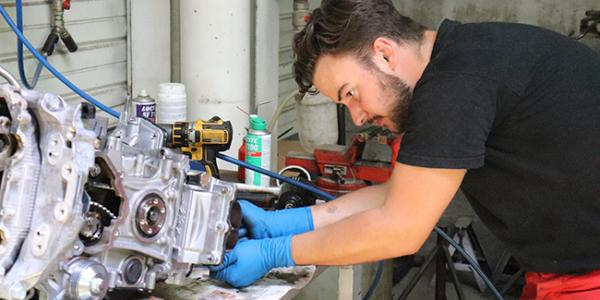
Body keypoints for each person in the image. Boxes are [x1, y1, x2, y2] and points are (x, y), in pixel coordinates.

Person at [210, 0, 600, 298]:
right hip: (565, 270)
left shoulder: (456, 84)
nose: (358, 117)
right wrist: (287, 224)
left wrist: (275, 253)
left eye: (351, 94)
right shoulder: (461, 57)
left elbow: (400, 228)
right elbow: (401, 196)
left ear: (384, 52)